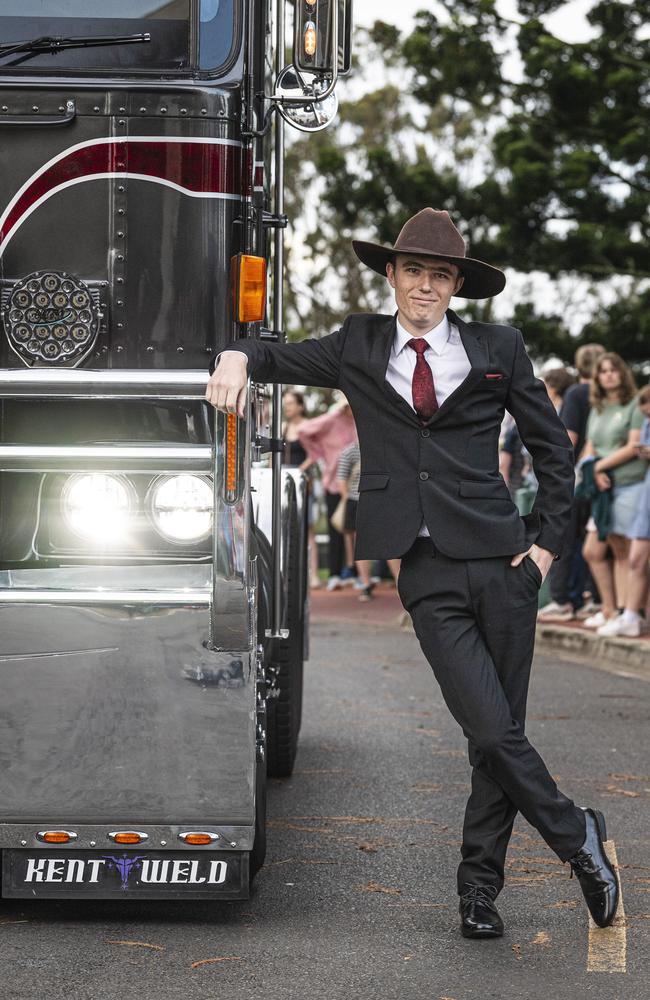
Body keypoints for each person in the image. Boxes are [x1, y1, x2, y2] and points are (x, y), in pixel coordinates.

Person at [206, 207, 618, 936]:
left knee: (498, 737)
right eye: (413, 270)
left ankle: (478, 891)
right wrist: (236, 356)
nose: (425, 285)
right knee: (490, 729)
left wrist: (546, 552)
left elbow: (554, 453)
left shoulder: (501, 347)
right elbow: (276, 355)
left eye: (440, 274)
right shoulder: (359, 344)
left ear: (456, 284)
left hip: (504, 564)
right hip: (425, 571)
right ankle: (577, 835)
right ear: (391, 275)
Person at [538, 345, 605, 623]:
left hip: (577, 476)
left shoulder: (577, 393)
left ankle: (563, 599)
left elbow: (568, 439)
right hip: (603, 474)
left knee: (566, 539)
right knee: (595, 540)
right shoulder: (607, 396)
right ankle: (591, 598)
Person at [579, 353, 646, 630]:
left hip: (630, 482)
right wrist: (588, 468)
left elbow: (634, 446)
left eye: (613, 370)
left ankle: (629, 614)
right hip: (603, 488)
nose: (608, 375)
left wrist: (598, 467)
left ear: (622, 373)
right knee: (599, 550)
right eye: (602, 371)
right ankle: (613, 610)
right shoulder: (598, 407)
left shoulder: (634, 405)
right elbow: (590, 447)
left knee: (628, 550)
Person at [593, 385, 650, 637]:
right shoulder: (646, 422)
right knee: (634, 557)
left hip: (637, 489)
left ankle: (632, 614)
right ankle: (628, 615)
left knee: (632, 556)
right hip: (645, 494)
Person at [292, 395, 357, 590]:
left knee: (358, 529)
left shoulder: (358, 421)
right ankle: (334, 573)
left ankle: (356, 573)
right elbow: (303, 431)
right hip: (334, 482)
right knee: (335, 528)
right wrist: (317, 452)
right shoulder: (332, 420)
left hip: (357, 484)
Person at [281, 389, 321, 589]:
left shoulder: (308, 427)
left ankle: (313, 574)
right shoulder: (283, 427)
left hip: (302, 481)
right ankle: (288, 571)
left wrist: (298, 471)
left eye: (289, 403)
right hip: (284, 481)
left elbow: (315, 454)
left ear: (300, 406)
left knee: (308, 528)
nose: (286, 407)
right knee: (285, 527)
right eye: (285, 403)